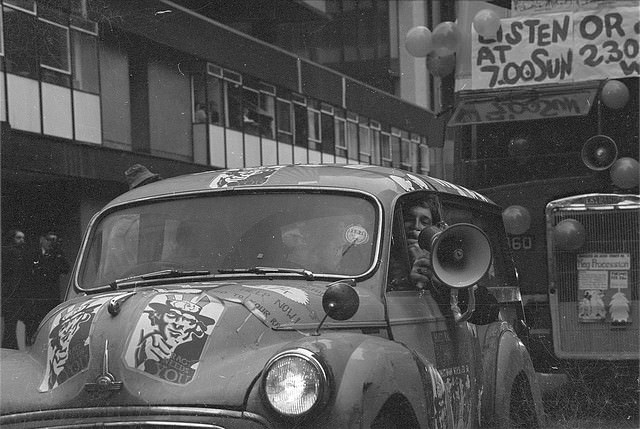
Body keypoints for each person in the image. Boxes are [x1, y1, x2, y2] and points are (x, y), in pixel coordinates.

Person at [22, 231, 70, 345]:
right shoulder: (34, 254)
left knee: (50, 316)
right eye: (49, 240)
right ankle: (33, 341)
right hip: (36, 292)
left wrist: (57, 256)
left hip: (51, 292)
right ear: (42, 240)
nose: (51, 243)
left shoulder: (57, 254)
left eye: (54, 240)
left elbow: (65, 268)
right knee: (35, 317)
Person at [1, 229, 28, 349]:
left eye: (22, 238)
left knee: (11, 323)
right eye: (18, 238)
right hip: (12, 293)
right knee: (11, 323)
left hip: (12, 293)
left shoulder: (13, 252)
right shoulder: (13, 252)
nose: (22, 240)